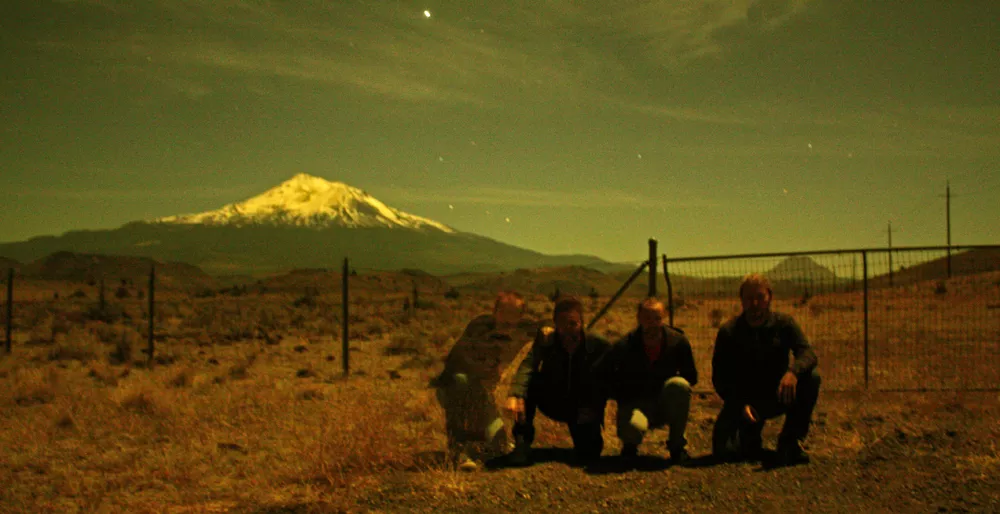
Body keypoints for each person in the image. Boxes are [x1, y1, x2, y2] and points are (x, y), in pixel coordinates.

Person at [711, 273, 821, 466]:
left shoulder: (784, 324)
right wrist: (738, 404)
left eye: (760, 297)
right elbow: (720, 378)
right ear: (741, 300)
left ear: (769, 297)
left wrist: (793, 372)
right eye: (749, 298)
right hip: (744, 400)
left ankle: (790, 442)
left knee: (811, 378)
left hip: (779, 393)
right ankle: (748, 440)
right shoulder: (729, 332)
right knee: (725, 453)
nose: (755, 303)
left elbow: (808, 353)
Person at [433, 291, 539, 471]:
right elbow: (456, 359)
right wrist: (484, 372)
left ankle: (491, 444)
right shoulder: (479, 326)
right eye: (503, 312)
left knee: (499, 447)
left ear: (521, 316)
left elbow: (546, 325)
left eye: (513, 314)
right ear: (495, 311)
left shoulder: (524, 328)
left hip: (485, 393)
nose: (507, 320)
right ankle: (459, 450)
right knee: (461, 381)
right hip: (455, 386)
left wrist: (548, 329)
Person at [505, 296, 613, 465]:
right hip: (553, 401)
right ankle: (522, 441)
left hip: (582, 407)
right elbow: (528, 365)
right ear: (555, 324)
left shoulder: (597, 344)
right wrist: (515, 394)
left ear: (581, 323)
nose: (568, 330)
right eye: (562, 324)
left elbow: (614, 373)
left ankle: (586, 436)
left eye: (573, 324)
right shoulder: (547, 341)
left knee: (589, 454)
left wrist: (596, 406)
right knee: (531, 382)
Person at [608, 297, 697, 465]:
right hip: (637, 406)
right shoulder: (625, 345)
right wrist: (624, 398)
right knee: (633, 428)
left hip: (664, 404)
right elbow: (607, 375)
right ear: (639, 319)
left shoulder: (678, 342)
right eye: (647, 319)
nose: (653, 324)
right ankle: (630, 447)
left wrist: (670, 390)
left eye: (657, 318)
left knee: (680, 385)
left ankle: (677, 447)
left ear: (664, 317)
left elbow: (691, 377)